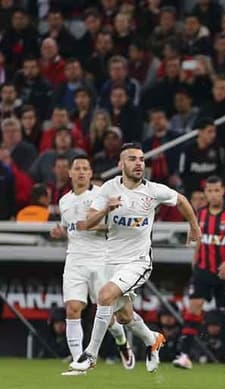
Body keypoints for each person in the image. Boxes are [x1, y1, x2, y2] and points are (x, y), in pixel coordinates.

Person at [69, 143, 201, 373]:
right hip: (111, 260)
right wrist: (105, 210)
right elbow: (87, 224)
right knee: (124, 316)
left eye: (141, 159)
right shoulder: (108, 189)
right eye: (132, 159)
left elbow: (181, 200)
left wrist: (194, 227)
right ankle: (153, 340)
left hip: (138, 261)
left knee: (104, 296)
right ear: (121, 164)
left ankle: (89, 355)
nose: (139, 163)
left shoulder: (153, 191)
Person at [49, 155, 135, 374]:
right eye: (76, 168)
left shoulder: (101, 195)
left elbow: (116, 225)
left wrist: (90, 225)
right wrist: (60, 232)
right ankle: (79, 362)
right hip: (75, 259)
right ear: (69, 173)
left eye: (85, 168)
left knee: (108, 315)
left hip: (100, 259)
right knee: (73, 308)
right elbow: (70, 228)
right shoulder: (64, 201)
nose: (80, 172)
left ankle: (122, 343)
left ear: (90, 173)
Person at [172, 176, 225, 372]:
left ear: (223, 191)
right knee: (193, 309)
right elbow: (199, 239)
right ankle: (185, 355)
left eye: (217, 190)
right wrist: (195, 262)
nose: (213, 194)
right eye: (210, 190)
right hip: (203, 271)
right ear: (205, 192)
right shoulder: (201, 213)